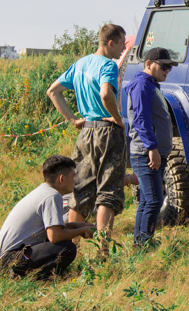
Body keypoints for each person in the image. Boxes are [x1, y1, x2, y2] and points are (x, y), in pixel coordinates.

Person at [47, 24, 127, 243]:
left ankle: (73, 247)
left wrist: (73, 120)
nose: (123, 49)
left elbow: (53, 92)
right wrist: (118, 119)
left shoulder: (81, 64)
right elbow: (105, 94)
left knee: (81, 190)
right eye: (121, 43)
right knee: (108, 194)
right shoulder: (108, 66)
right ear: (110, 43)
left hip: (86, 133)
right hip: (107, 131)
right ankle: (103, 248)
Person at [0, 155, 96, 279]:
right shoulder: (52, 196)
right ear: (61, 179)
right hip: (9, 260)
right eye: (73, 176)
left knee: (64, 243)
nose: (75, 180)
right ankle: (33, 278)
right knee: (67, 249)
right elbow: (55, 236)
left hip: (4, 259)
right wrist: (82, 231)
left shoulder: (44, 192)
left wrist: (78, 225)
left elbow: (53, 228)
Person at [124, 47, 177, 245]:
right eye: (163, 66)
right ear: (148, 64)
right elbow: (140, 119)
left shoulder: (151, 85)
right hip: (145, 153)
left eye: (169, 67)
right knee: (154, 201)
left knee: (147, 200)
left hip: (152, 152)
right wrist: (152, 149)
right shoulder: (141, 85)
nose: (167, 71)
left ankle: (140, 242)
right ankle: (144, 243)